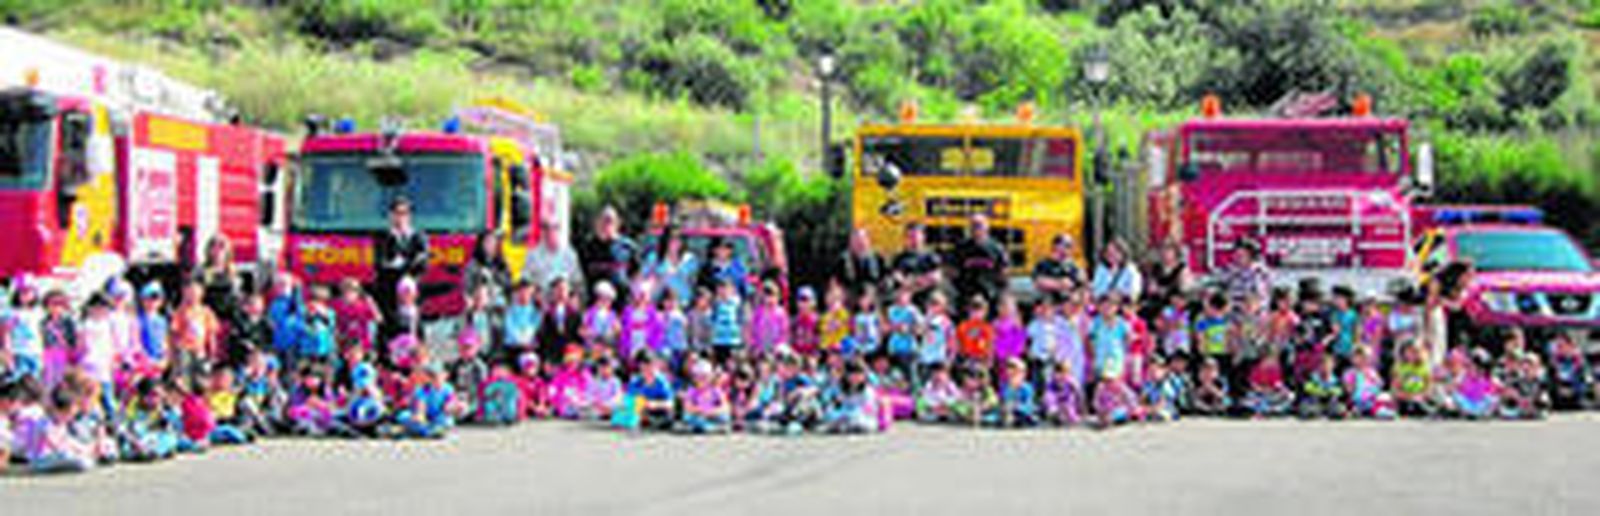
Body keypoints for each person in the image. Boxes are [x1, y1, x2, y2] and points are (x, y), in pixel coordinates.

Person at [374, 197, 430, 336]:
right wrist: (409, 263)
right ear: (391, 215)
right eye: (397, 213)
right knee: (388, 328)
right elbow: (381, 264)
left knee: (413, 327)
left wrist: (401, 265)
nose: (401, 217)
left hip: (411, 290)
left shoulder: (419, 236)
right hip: (388, 291)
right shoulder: (382, 237)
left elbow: (423, 264)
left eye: (405, 213)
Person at [578, 206, 639, 298]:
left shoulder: (628, 247)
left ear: (618, 223)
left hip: (621, 300)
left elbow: (636, 275)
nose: (606, 224)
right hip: (595, 302)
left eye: (610, 220)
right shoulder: (586, 247)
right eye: (604, 220)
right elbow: (581, 275)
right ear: (597, 223)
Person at [950, 214, 1008, 309]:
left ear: (987, 226)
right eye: (973, 225)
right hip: (966, 295)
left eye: (979, 225)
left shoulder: (997, 248)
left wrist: (999, 292)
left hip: (990, 295)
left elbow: (1003, 273)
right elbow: (952, 271)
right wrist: (959, 288)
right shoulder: (961, 248)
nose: (976, 228)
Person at [522, 218, 584, 290]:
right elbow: (526, 281)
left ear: (559, 230)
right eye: (546, 227)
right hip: (541, 295)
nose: (550, 231)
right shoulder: (532, 255)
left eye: (555, 227)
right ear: (542, 231)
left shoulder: (570, 255)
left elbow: (577, 282)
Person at [642, 225, 697, 303]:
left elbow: (691, 283)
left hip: (683, 302)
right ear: (665, 240)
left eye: (678, 238)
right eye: (671, 238)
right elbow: (643, 280)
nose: (675, 241)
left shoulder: (690, 259)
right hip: (656, 301)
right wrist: (660, 278)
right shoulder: (653, 257)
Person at [889, 222, 943, 302]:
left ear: (923, 237)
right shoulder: (899, 258)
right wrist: (907, 284)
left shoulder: (931, 256)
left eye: (916, 236)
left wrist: (918, 283)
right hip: (905, 294)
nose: (914, 239)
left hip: (927, 294)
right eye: (910, 236)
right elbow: (896, 275)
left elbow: (936, 277)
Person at [196, 235, 243, 323]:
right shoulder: (202, 270)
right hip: (208, 318)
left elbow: (237, 296)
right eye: (213, 246)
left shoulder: (233, 271)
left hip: (230, 318)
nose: (217, 250)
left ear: (227, 250)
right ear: (209, 250)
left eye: (221, 246)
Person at [464, 229, 512, 307]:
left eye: (494, 241)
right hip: (480, 306)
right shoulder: (474, 265)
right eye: (488, 241)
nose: (492, 245)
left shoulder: (502, 263)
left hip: (499, 306)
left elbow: (507, 287)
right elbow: (468, 290)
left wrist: (496, 274)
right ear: (481, 244)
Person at [1032, 234, 1084, 302]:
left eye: (1071, 246)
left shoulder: (1071, 266)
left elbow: (1079, 285)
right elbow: (1038, 283)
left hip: (1069, 304)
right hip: (1049, 303)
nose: (1070, 248)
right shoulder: (1043, 264)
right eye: (1067, 245)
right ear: (1056, 246)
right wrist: (1061, 284)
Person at [836, 228, 885, 297]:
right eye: (856, 241)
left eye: (863, 240)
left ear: (868, 241)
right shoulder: (842, 260)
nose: (860, 244)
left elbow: (884, 278)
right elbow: (838, 283)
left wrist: (872, 293)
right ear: (850, 243)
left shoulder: (878, 258)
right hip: (850, 296)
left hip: (874, 295)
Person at [1091, 238, 1142, 304]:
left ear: (1122, 253)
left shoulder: (1130, 270)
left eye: (1114, 252)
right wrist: (1106, 294)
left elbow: (1134, 292)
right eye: (1108, 253)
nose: (1111, 256)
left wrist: (1120, 295)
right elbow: (1096, 291)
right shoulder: (1101, 269)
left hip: (1122, 305)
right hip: (1103, 306)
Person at [1220, 239, 1271, 304]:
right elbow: (1221, 290)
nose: (1236, 257)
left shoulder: (1260, 271)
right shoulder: (1228, 270)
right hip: (1232, 307)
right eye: (1235, 254)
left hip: (1254, 307)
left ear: (1251, 255)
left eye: (1241, 255)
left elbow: (1263, 296)